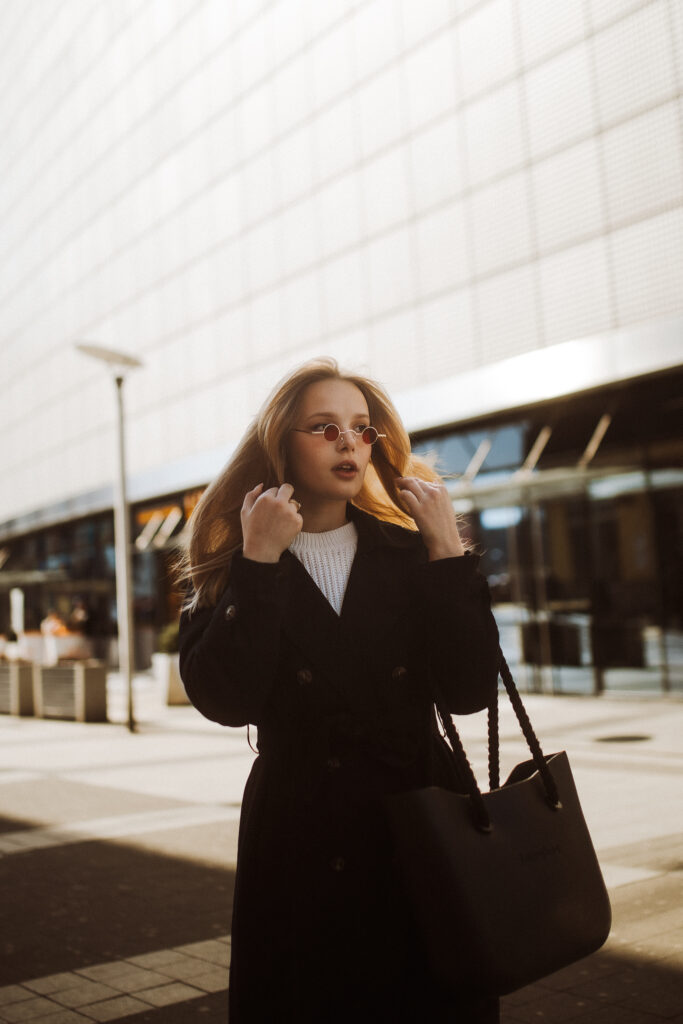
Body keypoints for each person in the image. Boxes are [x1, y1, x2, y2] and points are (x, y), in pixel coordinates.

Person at [177, 358, 501, 1023]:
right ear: (281, 445)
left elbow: (470, 691)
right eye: (324, 428)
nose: (349, 442)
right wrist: (259, 562)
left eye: (361, 428)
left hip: (420, 830)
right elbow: (225, 700)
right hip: (300, 837)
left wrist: (447, 550)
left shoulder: (411, 552)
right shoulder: (240, 563)